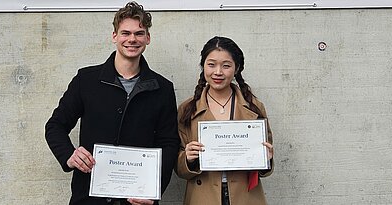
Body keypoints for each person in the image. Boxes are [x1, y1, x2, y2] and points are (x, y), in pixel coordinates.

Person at [45, 2, 180, 205]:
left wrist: (154, 191)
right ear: (114, 36)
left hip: (138, 199)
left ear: (148, 38)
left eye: (139, 33)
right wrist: (68, 154)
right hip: (89, 197)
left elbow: (168, 143)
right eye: (125, 33)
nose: (132, 39)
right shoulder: (86, 80)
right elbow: (55, 126)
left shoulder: (162, 88)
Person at [174, 36, 275, 205]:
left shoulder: (254, 107)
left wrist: (267, 158)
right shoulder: (187, 109)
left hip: (246, 196)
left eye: (226, 65)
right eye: (211, 64)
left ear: (237, 69)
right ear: (203, 66)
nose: (218, 72)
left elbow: (265, 168)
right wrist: (187, 158)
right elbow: (178, 167)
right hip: (203, 195)